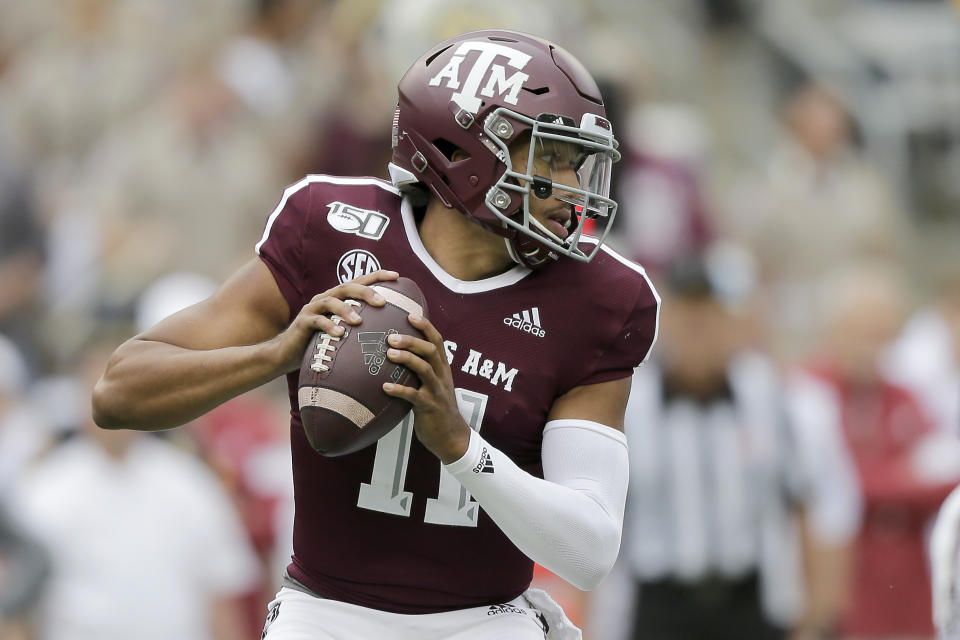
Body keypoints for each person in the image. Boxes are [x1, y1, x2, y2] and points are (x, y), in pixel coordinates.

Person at [92, 29, 660, 640]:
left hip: (484, 623)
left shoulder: (600, 298)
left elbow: (590, 551)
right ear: (464, 151)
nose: (571, 183)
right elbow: (117, 393)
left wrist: (462, 447)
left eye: (575, 160)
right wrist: (275, 355)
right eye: (549, 156)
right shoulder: (330, 228)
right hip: (326, 614)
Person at [617, 248, 860, 640]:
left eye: (707, 315)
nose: (696, 329)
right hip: (659, 606)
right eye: (685, 315)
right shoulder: (630, 405)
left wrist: (816, 618)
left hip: (748, 603)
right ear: (664, 322)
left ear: (726, 320)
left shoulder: (768, 397)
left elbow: (807, 504)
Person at [8, 338, 260, 640]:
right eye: (101, 388)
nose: (115, 401)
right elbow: (17, 610)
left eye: (128, 388)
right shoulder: (42, 489)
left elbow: (221, 596)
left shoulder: (190, 484)